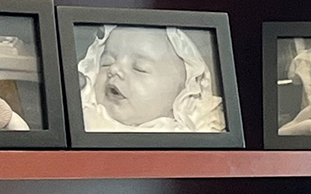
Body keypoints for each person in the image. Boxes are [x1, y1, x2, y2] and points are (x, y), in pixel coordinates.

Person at [77, 25, 225, 132]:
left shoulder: (185, 133)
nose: (114, 69)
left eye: (139, 68)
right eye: (106, 62)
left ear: (183, 95)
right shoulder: (87, 116)